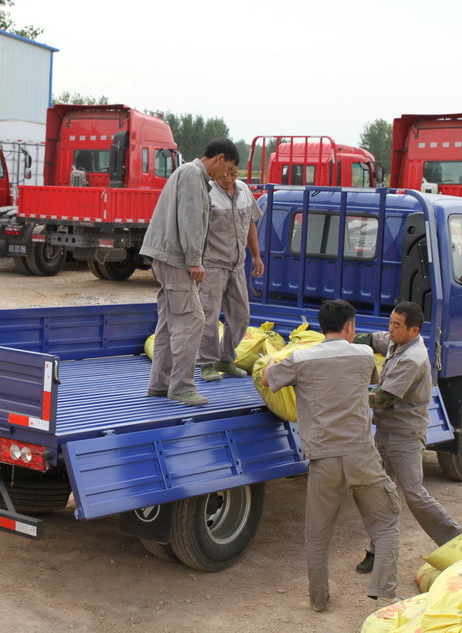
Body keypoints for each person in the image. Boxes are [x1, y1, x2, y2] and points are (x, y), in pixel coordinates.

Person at [262, 300, 401, 611]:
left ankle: (319, 599)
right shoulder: (365, 354)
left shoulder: (301, 358)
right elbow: (375, 382)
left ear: (320, 327)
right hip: (362, 456)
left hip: (324, 460)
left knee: (317, 536)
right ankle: (385, 593)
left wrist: (271, 363)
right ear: (350, 326)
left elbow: (269, 380)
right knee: (386, 523)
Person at [352, 301, 462, 575]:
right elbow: (371, 339)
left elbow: (384, 398)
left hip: (405, 437)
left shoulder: (414, 359)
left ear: (413, 330)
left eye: (396, 325)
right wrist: (343, 340)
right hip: (385, 433)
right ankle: (376, 551)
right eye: (390, 322)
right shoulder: (394, 341)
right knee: (378, 494)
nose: (390, 329)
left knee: (414, 494)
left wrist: (345, 394)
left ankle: (457, 542)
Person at [140, 139, 240, 406]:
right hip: (176, 259)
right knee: (192, 319)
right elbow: (190, 219)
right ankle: (181, 387)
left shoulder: (188, 174)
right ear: (219, 158)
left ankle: (159, 384)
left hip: (168, 256)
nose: (226, 176)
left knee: (169, 322)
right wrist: (195, 261)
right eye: (227, 168)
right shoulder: (193, 175)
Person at [197, 163, 264, 382]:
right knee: (209, 315)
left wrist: (256, 256)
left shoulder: (244, 191)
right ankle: (206, 363)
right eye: (223, 175)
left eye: (233, 174)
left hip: (237, 265)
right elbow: (196, 230)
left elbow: (251, 224)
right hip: (212, 265)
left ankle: (226, 359)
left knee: (241, 315)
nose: (227, 179)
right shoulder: (207, 193)